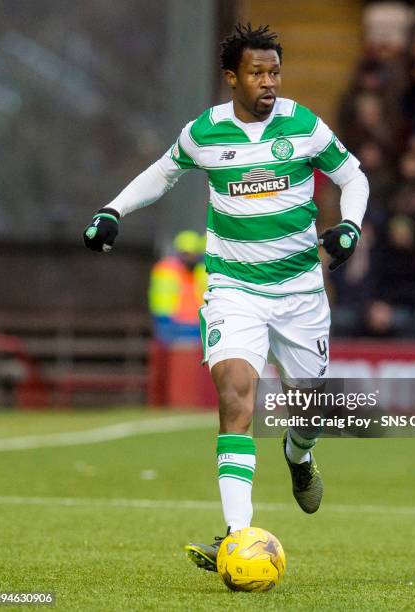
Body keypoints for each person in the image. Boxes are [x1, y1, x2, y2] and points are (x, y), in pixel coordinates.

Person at [83, 24, 368, 571]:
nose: (269, 82)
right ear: (232, 77)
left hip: (301, 293)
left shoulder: (303, 125)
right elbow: (162, 173)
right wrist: (113, 210)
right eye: (258, 73)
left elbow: (354, 177)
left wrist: (350, 227)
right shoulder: (204, 133)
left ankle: (298, 453)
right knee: (236, 398)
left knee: (308, 414)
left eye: (275, 72)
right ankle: (238, 536)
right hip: (235, 290)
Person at [149, 230, 207, 343]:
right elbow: (160, 296)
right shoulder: (166, 268)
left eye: (193, 254)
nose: (191, 258)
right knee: (173, 355)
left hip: (195, 322)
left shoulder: (201, 270)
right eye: (187, 254)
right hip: (169, 321)